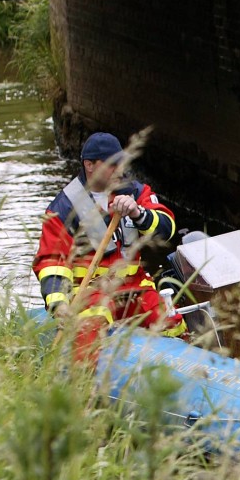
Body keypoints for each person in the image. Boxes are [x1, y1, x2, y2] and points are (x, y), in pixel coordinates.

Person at [32, 131, 186, 361]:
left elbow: (167, 228)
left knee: (170, 322)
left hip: (134, 287)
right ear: (90, 165)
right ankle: (84, 385)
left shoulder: (136, 192)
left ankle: (189, 378)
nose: (120, 170)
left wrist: (138, 213)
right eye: (112, 165)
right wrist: (59, 304)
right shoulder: (64, 208)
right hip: (91, 291)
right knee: (91, 321)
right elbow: (52, 261)